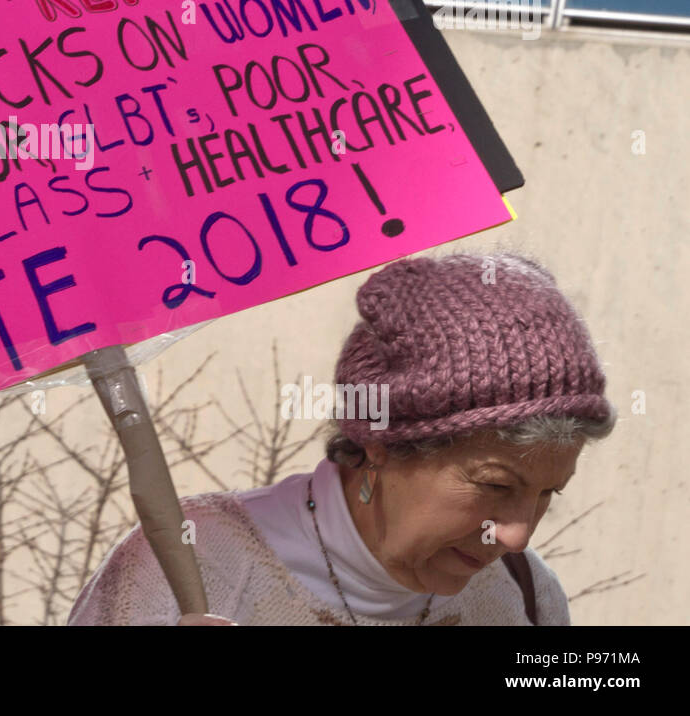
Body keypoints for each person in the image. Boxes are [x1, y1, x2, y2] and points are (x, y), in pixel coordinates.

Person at [66, 252, 616, 626]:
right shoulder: (189, 565)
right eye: (496, 485)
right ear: (378, 442)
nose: (517, 536)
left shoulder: (524, 596)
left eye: (547, 494)